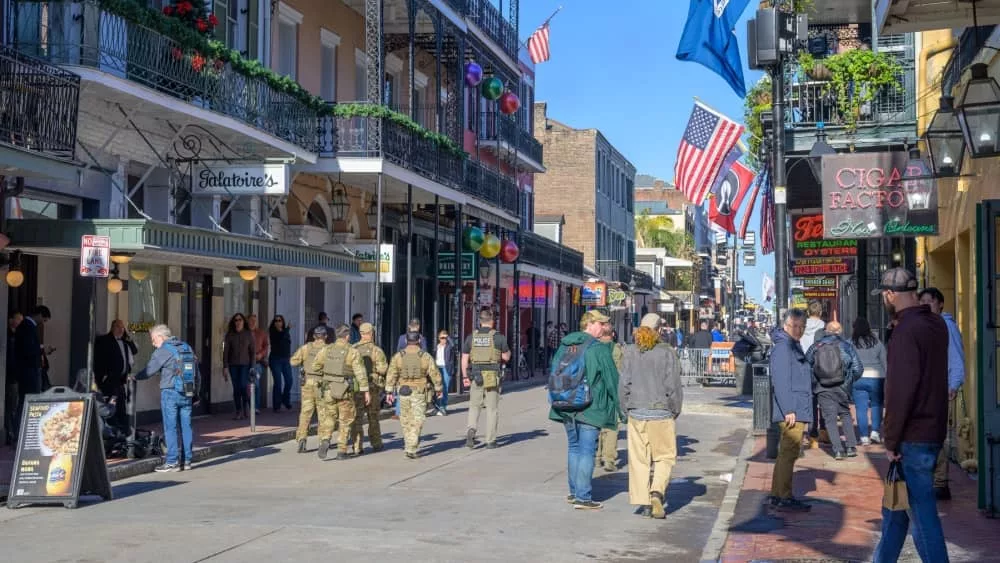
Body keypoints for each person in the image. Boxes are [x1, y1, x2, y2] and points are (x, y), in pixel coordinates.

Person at [871, 268, 949, 563]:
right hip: (932, 429)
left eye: (884, 295)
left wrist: (890, 440)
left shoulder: (905, 331)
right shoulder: (936, 324)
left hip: (912, 436)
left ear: (891, 294)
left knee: (922, 517)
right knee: (895, 511)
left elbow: (900, 390)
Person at [549, 309, 621, 510]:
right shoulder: (598, 349)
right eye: (601, 323)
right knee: (587, 451)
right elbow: (612, 380)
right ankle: (583, 497)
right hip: (590, 407)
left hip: (565, 404)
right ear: (590, 324)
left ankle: (574, 492)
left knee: (574, 448)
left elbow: (553, 371)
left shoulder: (565, 345)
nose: (604, 327)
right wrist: (620, 407)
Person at [620, 321, 683, 519]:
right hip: (661, 412)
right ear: (658, 331)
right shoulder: (666, 353)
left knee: (639, 460)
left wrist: (625, 408)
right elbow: (673, 385)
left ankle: (644, 502)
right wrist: (675, 409)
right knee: (664, 456)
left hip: (636, 411)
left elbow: (623, 384)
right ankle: (657, 491)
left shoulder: (630, 352)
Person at [918, 287, 966, 501]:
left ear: (940, 304)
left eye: (929, 301)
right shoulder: (926, 326)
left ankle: (940, 482)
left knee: (936, 435)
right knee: (928, 434)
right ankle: (934, 480)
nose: (925, 305)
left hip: (941, 390)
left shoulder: (946, 326)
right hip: (926, 390)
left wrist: (953, 385)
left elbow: (956, 357)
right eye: (922, 302)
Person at [132, 325, 199, 473]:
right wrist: (196, 393)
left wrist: (135, 377)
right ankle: (187, 461)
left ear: (161, 337)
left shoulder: (163, 350)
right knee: (186, 426)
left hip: (170, 392)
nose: (153, 343)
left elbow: (149, 371)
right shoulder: (186, 347)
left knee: (170, 427)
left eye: (153, 339)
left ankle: (172, 462)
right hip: (187, 392)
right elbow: (197, 372)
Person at [768, 308, 812, 512]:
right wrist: (789, 408)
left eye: (802, 326)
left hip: (797, 404)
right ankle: (783, 495)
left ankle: (778, 494)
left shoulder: (791, 345)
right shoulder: (784, 347)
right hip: (792, 408)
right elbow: (781, 380)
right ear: (786, 326)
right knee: (789, 452)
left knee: (787, 452)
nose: (799, 330)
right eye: (795, 326)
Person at [310, 324, 369, 461]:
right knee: (345, 420)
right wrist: (365, 391)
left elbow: (315, 366)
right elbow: (360, 373)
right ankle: (341, 450)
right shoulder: (352, 351)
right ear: (347, 336)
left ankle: (325, 439)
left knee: (329, 417)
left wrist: (327, 374)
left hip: (328, 389)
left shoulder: (326, 349)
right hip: (344, 390)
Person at [806, 321, 863, 460]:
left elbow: (806, 367)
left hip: (822, 387)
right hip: (842, 386)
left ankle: (838, 450)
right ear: (840, 331)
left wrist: (816, 382)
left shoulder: (816, 346)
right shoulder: (847, 346)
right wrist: (848, 382)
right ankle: (851, 447)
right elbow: (858, 369)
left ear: (826, 331)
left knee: (829, 418)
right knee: (845, 414)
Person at [386, 331, 443, 459]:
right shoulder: (425, 356)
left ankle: (409, 445)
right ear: (419, 341)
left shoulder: (398, 356)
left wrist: (389, 391)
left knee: (405, 419)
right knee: (418, 419)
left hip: (403, 391)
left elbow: (391, 373)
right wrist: (439, 388)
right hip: (419, 391)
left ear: (406, 341)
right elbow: (434, 373)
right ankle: (411, 447)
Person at [462, 309, 511, 449]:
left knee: (474, 406)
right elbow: (506, 357)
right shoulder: (498, 337)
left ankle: (471, 429)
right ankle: (490, 440)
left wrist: (465, 376)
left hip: (476, 375)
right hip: (492, 376)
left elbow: (464, 358)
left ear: (480, 321)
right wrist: (505, 353)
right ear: (492, 321)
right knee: (492, 408)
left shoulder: (471, 337)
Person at [290, 325, 329, 453]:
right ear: (325, 336)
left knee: (306, 412)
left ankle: (302, 438)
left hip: (307, 383)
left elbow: (293, 361)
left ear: (313, 336)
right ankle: (323, 440)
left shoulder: (306, 348)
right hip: (322, 383)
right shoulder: (328, 349)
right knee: (322, 413)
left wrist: (304, 362)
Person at [351, 322, 388, 455]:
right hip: (373, 387)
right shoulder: (376, 350)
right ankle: (376, 443)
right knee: (373, 416)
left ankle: (357, 446)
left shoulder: (353, 349)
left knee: (357, 417)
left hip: (357, 387)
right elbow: (383, 369)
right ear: (371, 334)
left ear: (361, 333)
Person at [94, 319, 138, 428]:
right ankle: (112, 427)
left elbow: (134, 350)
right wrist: (102, 376)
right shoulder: (104, 340)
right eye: (118, 327)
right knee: (111, 403)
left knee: (121, 403)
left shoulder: (124, 341)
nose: (121, 330)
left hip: (121, 380)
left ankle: (122, 428)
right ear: (113, 327)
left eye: (123, 327)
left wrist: (128, 338)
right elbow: (98, 360)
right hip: (109, 379)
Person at [596, 321, 627, 473]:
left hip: (597, 391)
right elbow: (622, 370)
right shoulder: (616, 349)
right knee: (612, 425)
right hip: (613, 390)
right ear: (613, 334)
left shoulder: (593, 348)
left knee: (597, 424)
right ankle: (609, 459)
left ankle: (597, 457)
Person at [852, 317, 887, 446]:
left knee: (861, 408)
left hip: (858, 378)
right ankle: (875, 432)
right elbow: (884, 361)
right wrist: (888, 376)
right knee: (877, 405)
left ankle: (863, 437)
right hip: (876, 377)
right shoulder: (877, 342)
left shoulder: (851, 343)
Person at [15, 305, 50, 429]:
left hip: (28, 371)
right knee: (28, 401)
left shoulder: (27, 326)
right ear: (39, 315)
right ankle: (23, 429)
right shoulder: (27, 327)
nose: (42, 323)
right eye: (43, 320)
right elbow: (28, 349)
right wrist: (42, 351)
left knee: (26, 401)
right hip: (28, 372)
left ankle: (23, 428)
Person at [222, 313, 256, 420]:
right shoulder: (230, 335)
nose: (238, 322)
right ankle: (238, 411)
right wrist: (225, 366)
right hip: (233, 365)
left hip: (245, 365)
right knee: (236, 388)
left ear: (243, 321)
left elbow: (252, 352)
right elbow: (225, 352)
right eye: (236, 320)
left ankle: (245, 407)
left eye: (240, 319)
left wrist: (252, 366)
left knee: (243, 386)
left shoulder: (248, 334)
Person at [268, 315, 294, 413]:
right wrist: (288, 328)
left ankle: (285, 399)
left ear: (282, 322)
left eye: (280, 320)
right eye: (276, 321)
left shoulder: (286, 333)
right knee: (278, 382)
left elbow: (287, 344)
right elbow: (279, 337)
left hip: (286, 360)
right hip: (275, 360)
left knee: (289, 381)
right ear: (274, 323)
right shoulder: (273, 332)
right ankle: (277, 405)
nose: (278, 322)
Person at [5, 311, 23, 444]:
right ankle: (11, 433)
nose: (20, 323)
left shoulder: (17, 336)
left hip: (15, 375)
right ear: (11, 320)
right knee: (12, 406)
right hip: (11, 376)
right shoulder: (10, 337)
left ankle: (12, 432)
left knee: (13, 405)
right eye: (18, 320)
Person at [247, 314, 268, 412]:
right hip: (245, 362)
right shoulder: (244, 333)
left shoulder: (261, 333)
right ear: (247, 321)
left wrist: (261, 354)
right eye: (251, 320)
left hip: (257, 362)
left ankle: (255, 407)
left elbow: (266, 346)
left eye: (254, 320)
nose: (253, 322)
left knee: (256, 384)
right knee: (246, 385)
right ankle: (248, 406)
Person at [433, 329, 455, 415]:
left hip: (446, 368)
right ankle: (438, 406)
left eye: (445, 338)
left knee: (445, 388)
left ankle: (443, 407)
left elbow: (453, 345)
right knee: (438, 387)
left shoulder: (449, 346)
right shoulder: (437, 346)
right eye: (441, 338)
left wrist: (447, 337)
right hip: (438, 368)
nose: (443, 340)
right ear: (439, 338)